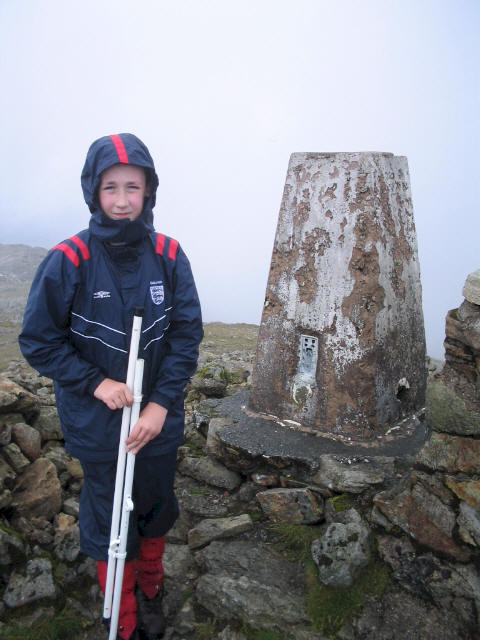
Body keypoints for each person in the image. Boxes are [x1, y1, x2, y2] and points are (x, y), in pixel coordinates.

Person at [19, 133, 203, 640]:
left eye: (133, 187)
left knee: (155, 503)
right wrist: (96, 382)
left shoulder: (168, 254)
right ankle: (120, 619)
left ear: (149, 191)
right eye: (110, 188)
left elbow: (186, 336)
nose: (122, 201)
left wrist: (161, 405)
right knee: (107, 516)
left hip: (157, 420)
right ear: (93, 191)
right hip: (98, 423)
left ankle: (151, 590)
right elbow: (37, 341)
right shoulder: (69, 259)